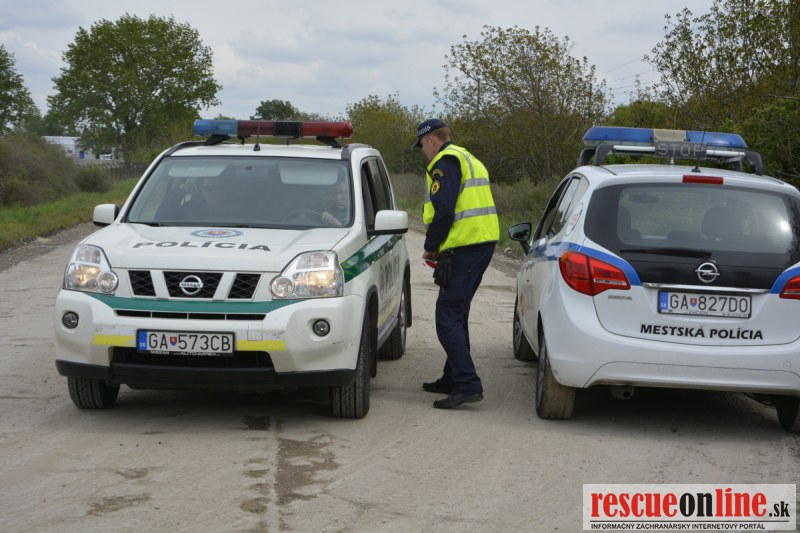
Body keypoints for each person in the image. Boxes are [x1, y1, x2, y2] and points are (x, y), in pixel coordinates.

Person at [413, 118, 500, 409]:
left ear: (430, 140)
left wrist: (430, 246)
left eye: (421, 145)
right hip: (480, 243)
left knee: (447, 315)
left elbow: (444, 211)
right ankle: (452, 377)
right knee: (458, 312)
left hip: (465, 246)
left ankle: (468, 384)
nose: (423, 151)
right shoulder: (468, 157)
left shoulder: (445, 162)